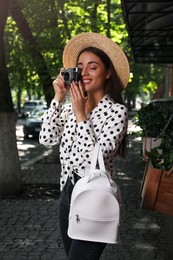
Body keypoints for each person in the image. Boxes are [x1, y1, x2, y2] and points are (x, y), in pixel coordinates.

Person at [39, 32, 130, 260]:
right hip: (67, 192)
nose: (84, 73)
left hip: (95, 197)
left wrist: (81, 114)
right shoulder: (70, 108)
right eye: (80, 67)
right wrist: (59, 99)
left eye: (93, 67)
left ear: (108, 73)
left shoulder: (116, 112)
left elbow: (90, 158)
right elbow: (46, 138)